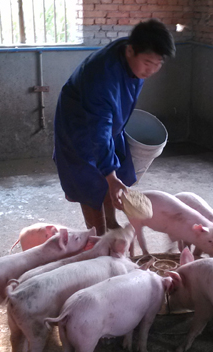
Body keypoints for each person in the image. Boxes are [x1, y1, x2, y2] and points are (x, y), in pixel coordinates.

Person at [53, 19, 176, 235]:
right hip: (80, 126)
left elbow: (106, 126)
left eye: (158, 64)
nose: (152, 70)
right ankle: (98, 237)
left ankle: (111, 224)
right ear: (131, 51)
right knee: (90, 183)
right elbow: (99, 134)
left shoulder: (131, 56)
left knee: (116, 175)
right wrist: (110, 177)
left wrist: (112, 177)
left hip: (108, 122)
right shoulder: (101, 77)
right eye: (148, 62)